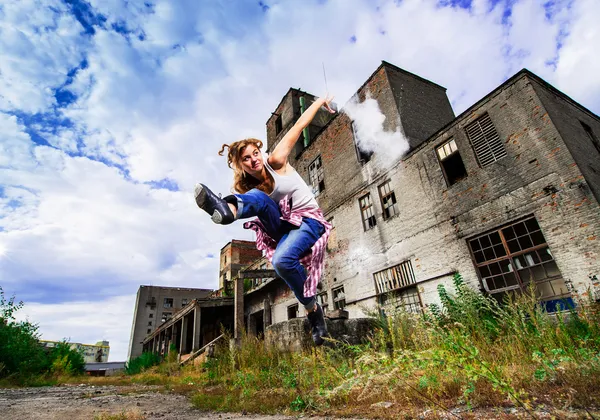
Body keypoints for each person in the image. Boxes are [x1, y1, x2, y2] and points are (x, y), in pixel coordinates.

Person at [194, 95, 335, 345]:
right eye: (246, 159)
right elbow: (257, 201)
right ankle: (226, 209)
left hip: (308, 221)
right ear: (242, 166)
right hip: (282, 227)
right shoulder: (249, 185)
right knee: (257, 197)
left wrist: (319, 102)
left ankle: (314, 312)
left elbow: (299, 125)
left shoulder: (276, 161)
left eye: (255, 154)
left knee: (281, 261)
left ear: (261, 152)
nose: (253, 160)